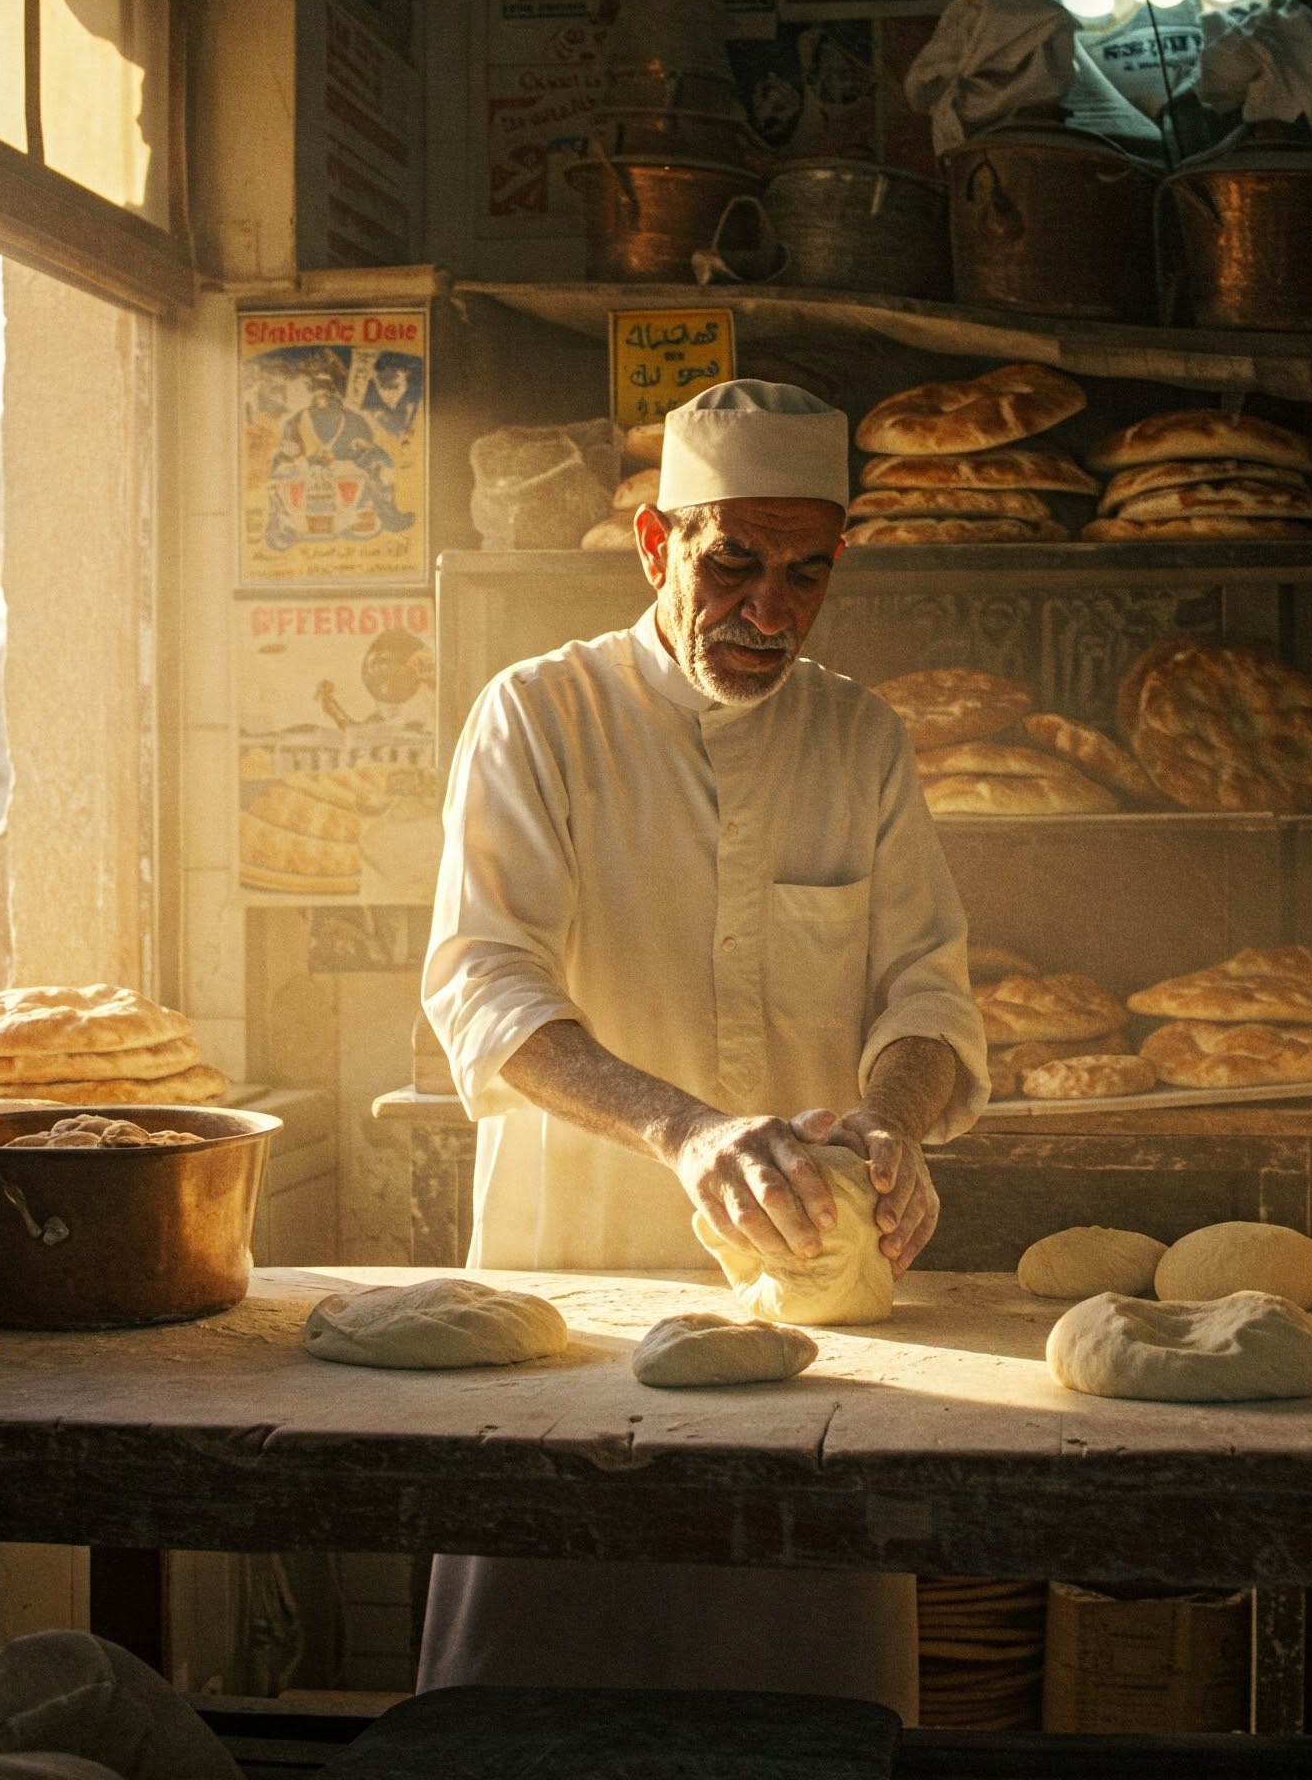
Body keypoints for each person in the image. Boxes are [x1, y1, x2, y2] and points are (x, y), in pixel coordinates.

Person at [419, 379, 989, 1719]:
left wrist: (890, 1120)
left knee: (801, 1701)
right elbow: (483, 985)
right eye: (734, 562)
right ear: (655, 544)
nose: (771, 611)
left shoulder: (861, 739)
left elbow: (926, 990)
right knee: (542, 1699)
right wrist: (685, 1130)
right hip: (574, 1305)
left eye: (809, 574)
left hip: (805, 1317)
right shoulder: (539, 717)